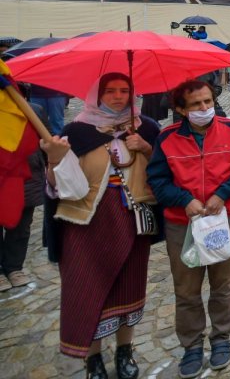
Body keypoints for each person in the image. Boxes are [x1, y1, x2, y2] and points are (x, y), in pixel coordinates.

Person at [41, 72, 161, 378]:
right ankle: (93, 358)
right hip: (86, 224)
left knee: (129, 285)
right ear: (97, 95)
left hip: (131, 219)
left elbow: (165, 171)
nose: (119, 97)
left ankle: (124, 351)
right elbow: (61, 188)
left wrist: (146, 148)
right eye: (110, 91)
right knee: (87, 289)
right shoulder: (76, 131)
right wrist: (55, 162)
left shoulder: (146, 127)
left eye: (125, 90)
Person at [146, 80, 230, 377]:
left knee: (223, 283)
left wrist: (223, 193)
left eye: (207, 101)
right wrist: (184, 200)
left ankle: (222, 339)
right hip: (183, 224)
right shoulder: (167, 138)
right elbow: (156, 179)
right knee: (187, 289)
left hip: (223, 218)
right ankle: (192, 346)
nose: (204, 108)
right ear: (180, 109)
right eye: (196, 104)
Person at [0, 96, 46, 292]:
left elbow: (45, 140)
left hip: (25, 178)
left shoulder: (33, 110)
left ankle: (13, 267)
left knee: (21, 226)